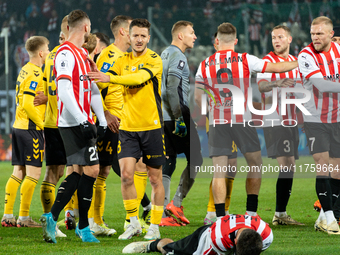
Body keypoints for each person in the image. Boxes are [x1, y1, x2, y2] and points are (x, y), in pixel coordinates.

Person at [195, 22, 298, 219]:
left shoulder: (204, 64)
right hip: (242, 119)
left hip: (218, 120)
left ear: (217, 41)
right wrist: (301, 62)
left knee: (219, 171)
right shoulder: (245, 59)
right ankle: (251, 213)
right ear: (235, 40)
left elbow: (198, 98)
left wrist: (212, 111)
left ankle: (219, 218)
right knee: (255, 164)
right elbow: (277, 67)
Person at [88, 18, 165, 241]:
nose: (139, 39)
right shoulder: (121, 60)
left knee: (154, 179)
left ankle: (155, 226)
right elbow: (102, 83)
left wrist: (109, 77)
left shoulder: (154, 59)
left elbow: (138, 78)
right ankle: (133, 223)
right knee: (126, 176)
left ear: (148, 38)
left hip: (151, 127)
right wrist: (91, 72)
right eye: (136, 35)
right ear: (128, 37)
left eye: (143, 36)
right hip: (127, 128)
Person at [40, 9, 107, 244]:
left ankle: (54, 217)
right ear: (87, 28)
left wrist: (102, 119)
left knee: (79, 171)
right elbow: (65, 91)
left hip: (81, 120)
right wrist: (83, 120)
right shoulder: (65, 54)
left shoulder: (82, 54)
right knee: (92, 171)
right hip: (72, 122)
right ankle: (82, 227)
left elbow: (93, 89)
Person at [257, 25, 304, 226]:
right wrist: (276, 83)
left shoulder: (297, 63)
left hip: (291, 120)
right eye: (274, 37)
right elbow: (261, 85)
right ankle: (279, 214)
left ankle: (281, 213)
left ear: (290, 39)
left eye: (280, 37)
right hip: (275, 120)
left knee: (290, 166)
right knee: (286, 165)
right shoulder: (267, 62)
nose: (276, 40)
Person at [1, 36, 49, 228]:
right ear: (40, 52)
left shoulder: (24, 70)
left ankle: (7, 215)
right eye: (47, 48)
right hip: (30, 128)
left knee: (18, 173)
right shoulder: (36, 73)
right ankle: (24, 217)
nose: (48, 51)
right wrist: (42, 124)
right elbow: (29, 103)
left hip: (18, 126)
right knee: (33, 174)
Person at [298, 16, 340, 234]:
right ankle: (331, 219)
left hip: (337, 118)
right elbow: (321, 85)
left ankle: (324, 216)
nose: (314, 38)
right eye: (313, 34)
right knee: (322, 166)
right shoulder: (306, 55)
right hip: (315, 119)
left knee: (337, 171)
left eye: (320, 34)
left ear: (331, 34)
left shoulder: (337, 50)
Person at [159, 20, 202, 227]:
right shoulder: (178, 56)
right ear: (180, 36)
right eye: (191, 33)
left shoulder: (163, 54)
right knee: (197, 160)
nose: (194, 37)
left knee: (169, 160)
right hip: (177, 114)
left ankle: (164, 213)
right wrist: (179, 118)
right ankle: (176, 203)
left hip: (162, 116)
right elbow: (171, 88)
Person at [35, 15, 72, 237]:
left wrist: (47, 97)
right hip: (65, 122)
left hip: (53, 121)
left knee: (58, 171)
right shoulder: (67, 56)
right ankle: (54, 220)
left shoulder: (50, 57)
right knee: (71, 171)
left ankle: (59, 219)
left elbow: (49, 87)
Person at [196, 32, 237, 226]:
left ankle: (224, 210)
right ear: (215, 43)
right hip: (217, 121)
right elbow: (199, 96)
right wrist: (212, 113)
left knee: (231, 167)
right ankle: (213, 212)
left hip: (233, 122)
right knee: (221, 167)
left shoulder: (237, 64)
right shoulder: (207, 65)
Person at [122, 214, 273, 255]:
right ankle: (153, 244)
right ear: (234, 243)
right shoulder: (218, 238)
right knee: (171, 252)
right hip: (204, 238)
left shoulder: (266, 235)